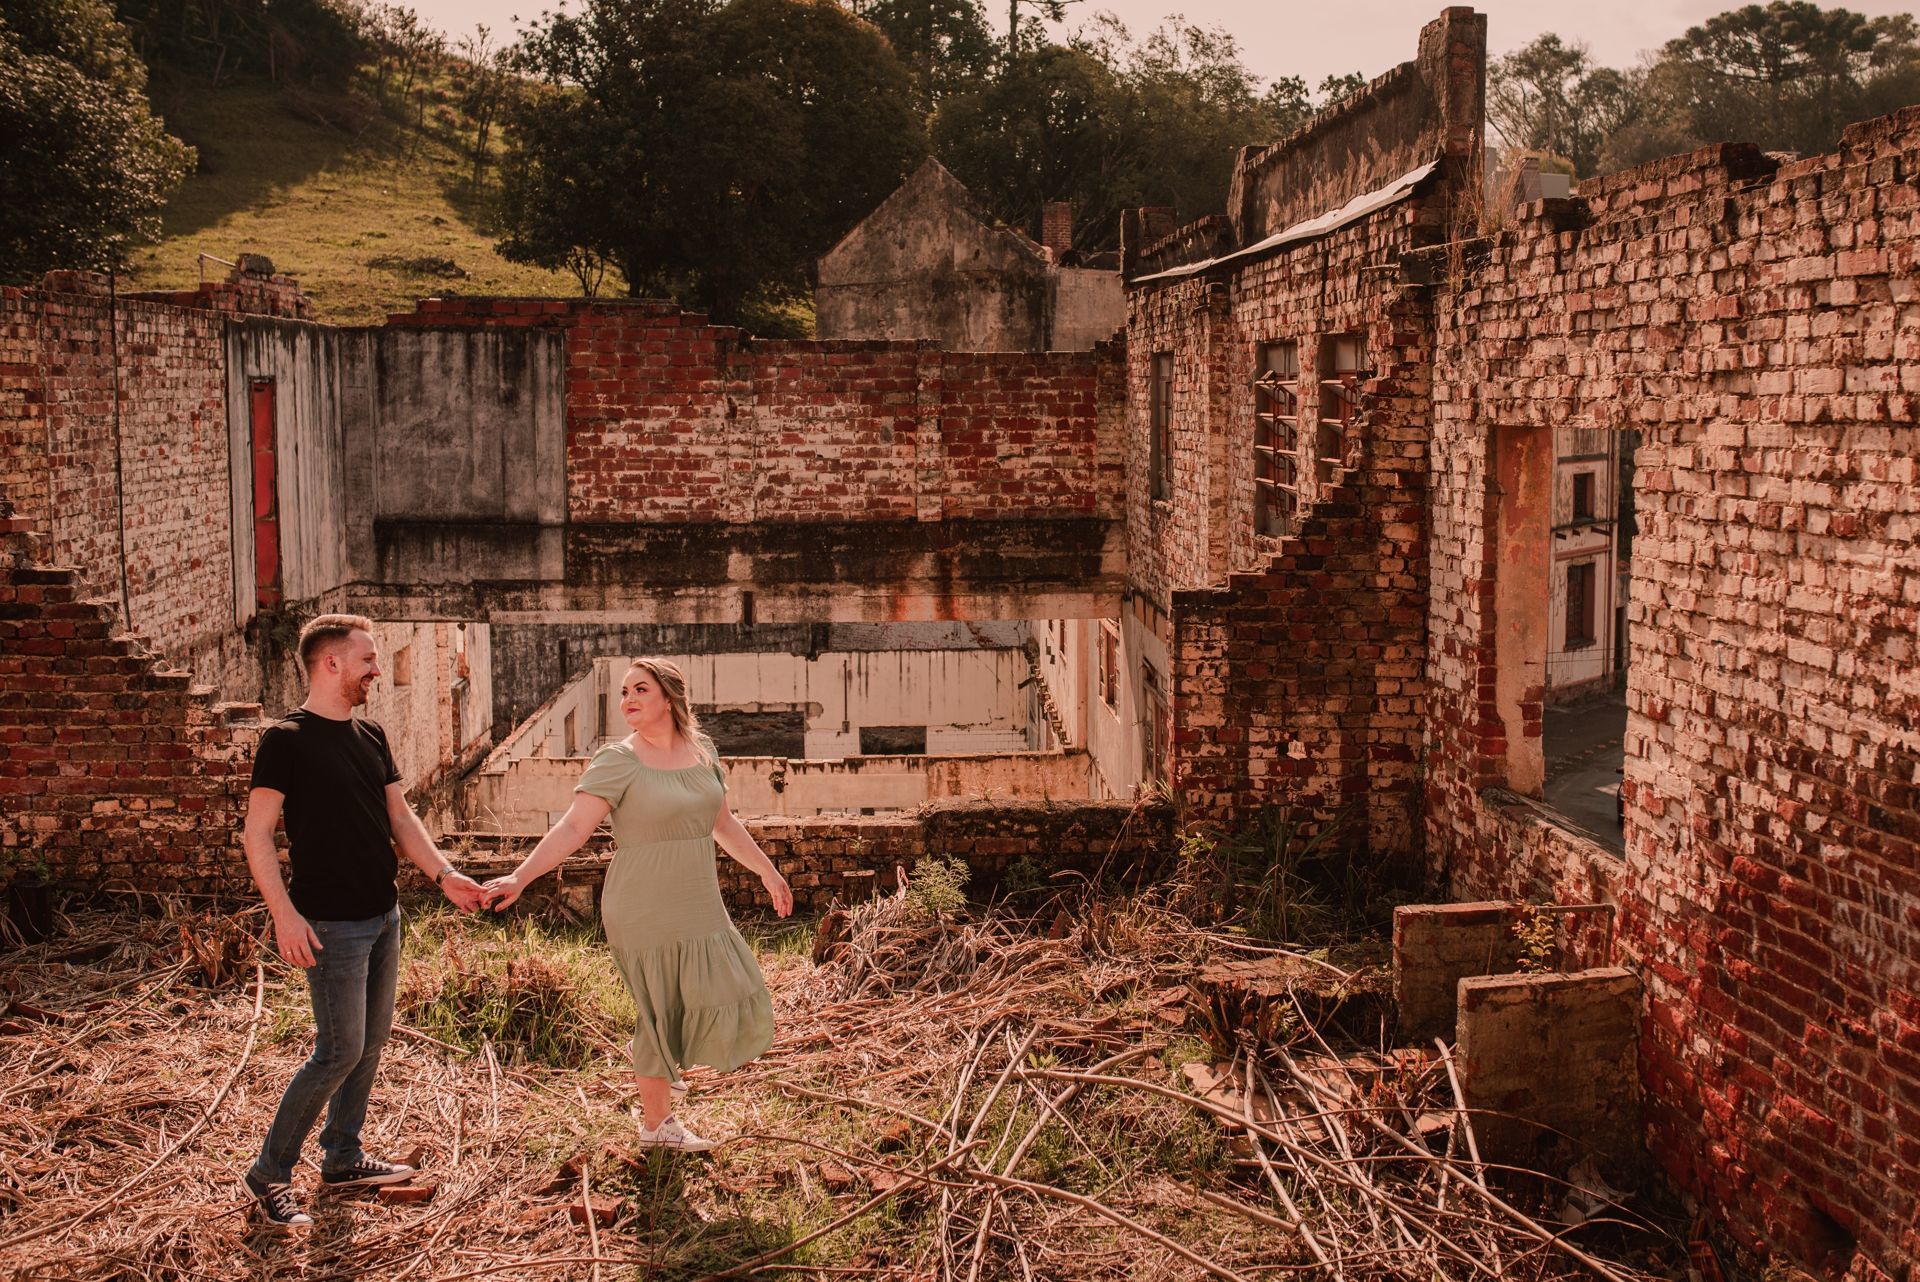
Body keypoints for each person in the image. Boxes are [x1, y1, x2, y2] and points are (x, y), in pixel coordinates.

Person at [481, 658, 792, 1152]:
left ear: (668, 698)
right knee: (658, 1010)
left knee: (728, 982)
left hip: (696, 897)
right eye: (624, 690)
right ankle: (656, 1127)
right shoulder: (617, 759)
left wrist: (767, 870)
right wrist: (521, 876)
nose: (627, 698)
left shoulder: (702, 750)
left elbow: (723, 823)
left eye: (640, 689)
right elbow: (573, 829)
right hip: (641, 900)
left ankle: (659, 1060)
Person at [240, 614, 487, 1227]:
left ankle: (343, 1156)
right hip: (329, 925)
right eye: (369, 660)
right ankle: (269, 1175)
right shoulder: (286, 740)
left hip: (383, 916)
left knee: (369, 1044)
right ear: (331, 664)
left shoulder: (370, 734)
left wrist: (444, 875)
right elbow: (257, 835)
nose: (378, 669)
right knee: (337, 1051)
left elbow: (401, 820)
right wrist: (285, 916)